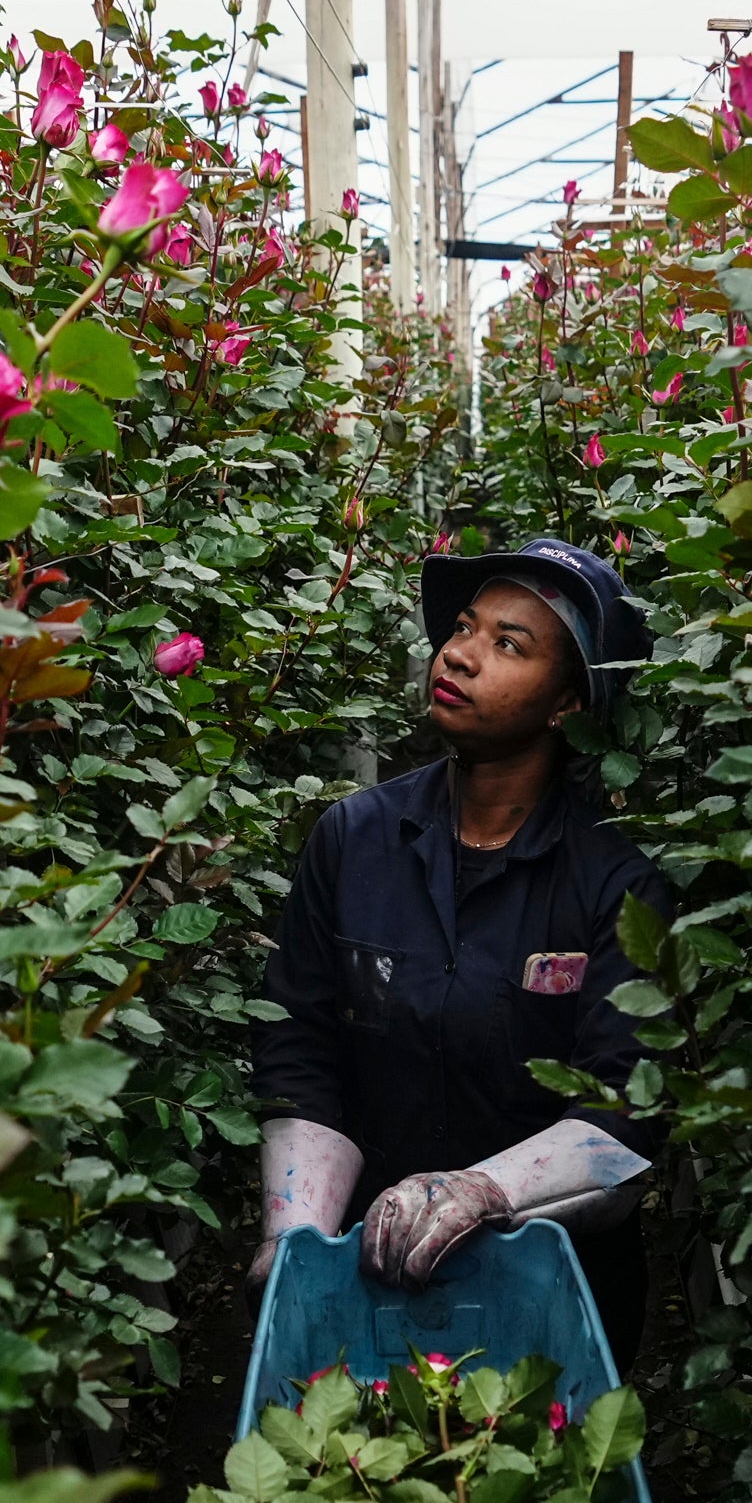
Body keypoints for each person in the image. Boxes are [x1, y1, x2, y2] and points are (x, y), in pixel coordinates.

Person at [251, 537, 675, 1338]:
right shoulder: (353, 839)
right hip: (362, 1274)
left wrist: (482, 1193)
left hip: (553, 1292)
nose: (463, 655)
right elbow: (300, 1048)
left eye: (509, 644)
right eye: (466, 627)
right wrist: (296, 1235)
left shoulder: (618, 879)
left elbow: (628, 1108)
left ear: (568, 704)